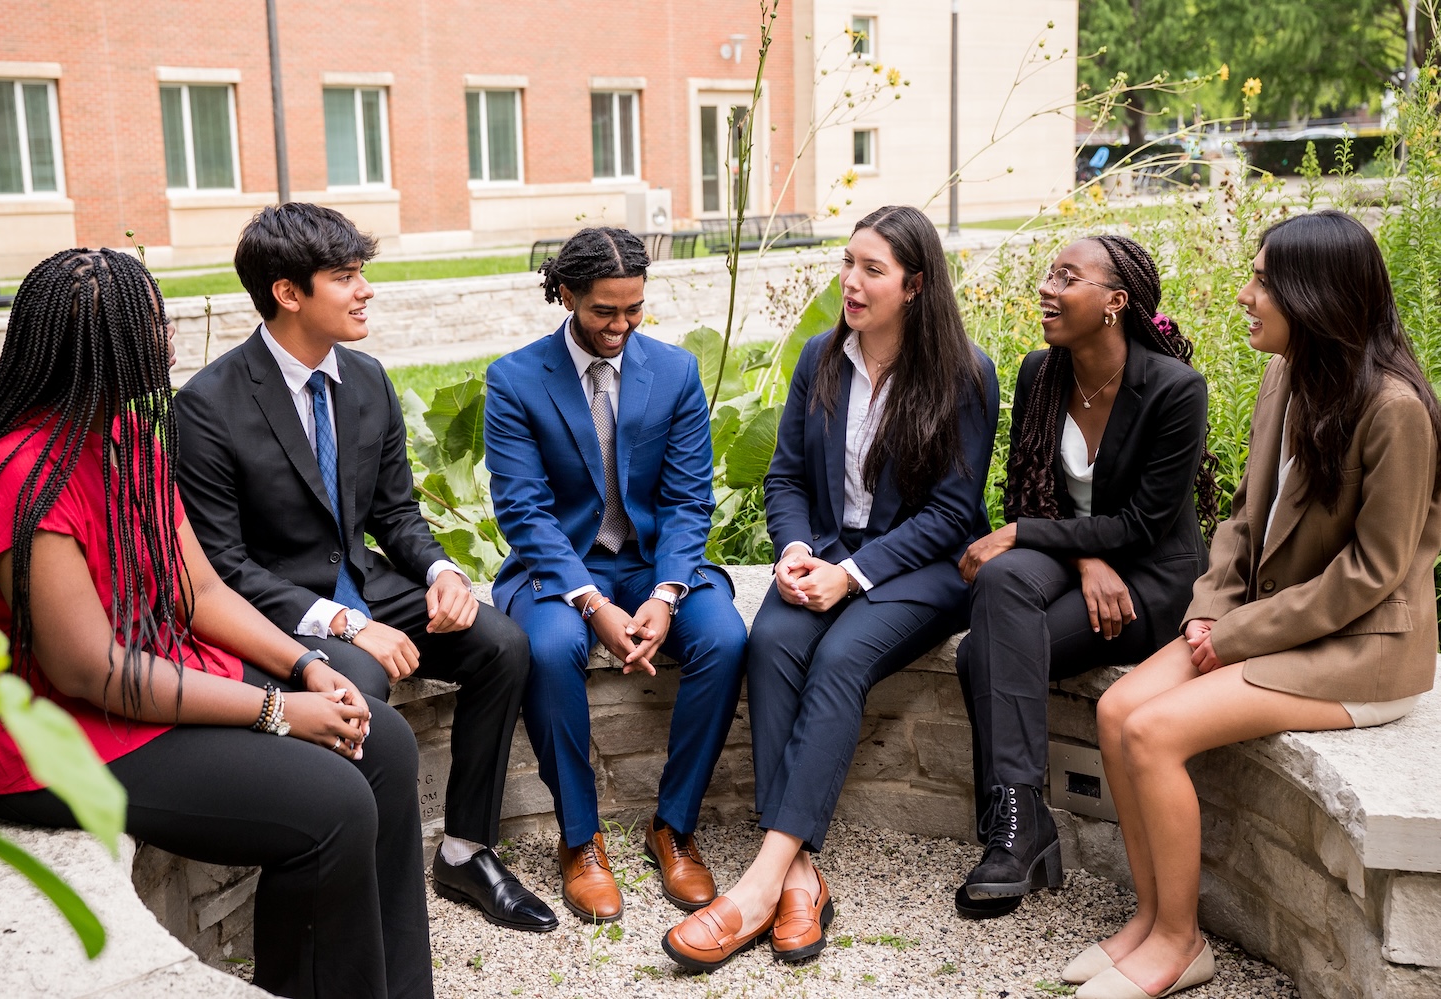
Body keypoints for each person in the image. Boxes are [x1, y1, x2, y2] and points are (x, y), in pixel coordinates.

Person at [0, 248, 431, 999]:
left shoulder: (128, 439)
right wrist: (278, 710)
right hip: (52, 734)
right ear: (100, 348)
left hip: (154, 670)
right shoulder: (18, 476)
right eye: (154, 327)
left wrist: (305, 666)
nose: (170, 343)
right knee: (329, 807)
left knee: (385, 746)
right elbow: (92, 672)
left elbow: (197, 591)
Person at [1073, 210, 1441, 999]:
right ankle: (1149, 917)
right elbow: (1243, 516)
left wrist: (1237, 633)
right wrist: (1210, 608)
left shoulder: (1396, 409)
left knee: (1155, 728)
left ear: (1315, 296)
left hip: (1363, 649)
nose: (1245, 295)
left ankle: (1180, 942)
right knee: (1116, 712)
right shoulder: (1288, 374)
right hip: (1264, 619)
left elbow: (1371, 573)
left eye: (1264, 281)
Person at [173, 204, 553, 933]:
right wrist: (347, 624)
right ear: (288, 293)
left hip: (368, 585)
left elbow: (396, 514)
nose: (365, 289)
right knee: (363, 678)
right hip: (282, 612)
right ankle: (359, 880)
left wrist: (443, 570)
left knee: (501, 644)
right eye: (345, 276)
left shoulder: (368, 380)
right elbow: (223, 567)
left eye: (362, 272)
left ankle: (466, 850)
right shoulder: (209, 406)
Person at [663, 205, 999, 972]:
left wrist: (850, 574)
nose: (851, 281)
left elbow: (952, 511)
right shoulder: (819, 357)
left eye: (872, 269)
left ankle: (757, 883)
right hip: (827, 555)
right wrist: (795, 549)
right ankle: (802, 876)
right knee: (774, 638)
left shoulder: (963, 374)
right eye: (848, 262)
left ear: (914, 284)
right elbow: (784, 477)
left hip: (920, 570)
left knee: (841, 656)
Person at [484, 227, 748, 924]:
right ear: (567, 295)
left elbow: (690, 497)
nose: (622, 325)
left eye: (635, 308)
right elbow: (524, 510)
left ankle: (674, 824)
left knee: (723, 638)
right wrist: (592, 601)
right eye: (606, 310)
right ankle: (580, 839)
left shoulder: (675, 371)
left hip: (653, 562)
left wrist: (667, 592)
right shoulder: (514, 380)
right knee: (548, 647)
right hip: (556, 570)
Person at [952, 234, 1217, 921]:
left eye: (1067, 276)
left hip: (1150, 582)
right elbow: (1029, 498)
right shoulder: (1041, 371)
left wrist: (1032, 537)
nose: (1047, 286)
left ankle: (1015, 832)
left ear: (1114, 303)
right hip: (1080, 566)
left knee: (984, 650)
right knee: (1003, 583)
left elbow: (1141, 527)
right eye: (1048, 272)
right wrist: (1082, 557)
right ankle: (1023, 814)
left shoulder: (1175, 391)